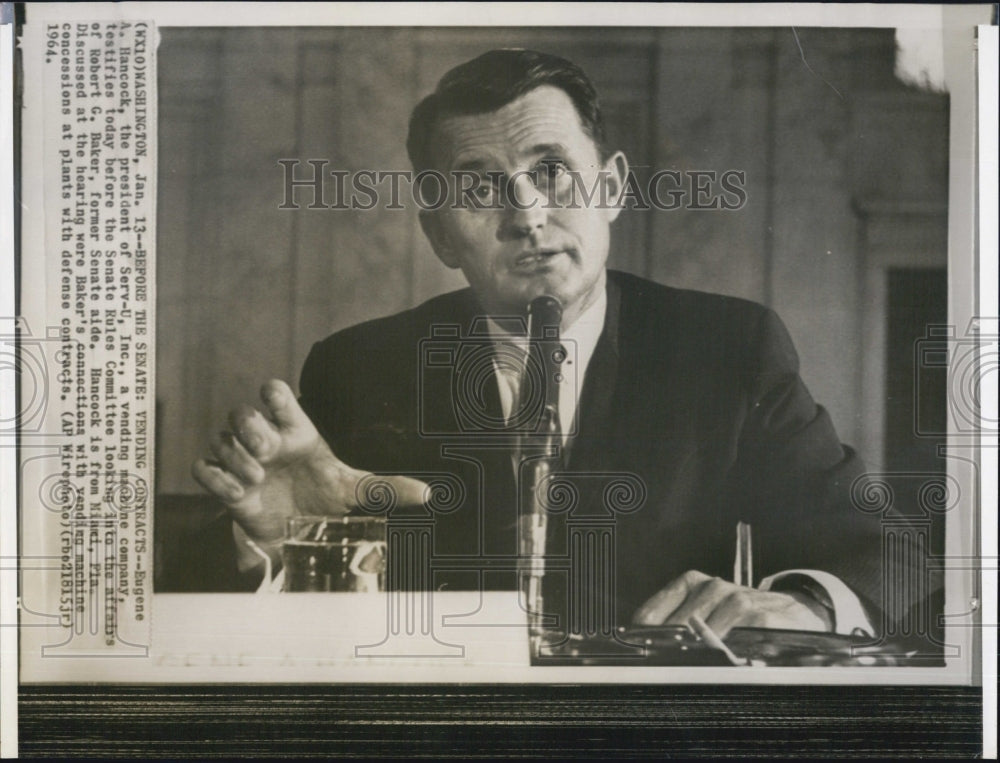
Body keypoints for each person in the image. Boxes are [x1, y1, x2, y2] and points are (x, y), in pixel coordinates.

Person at [190, 49, 897, 639]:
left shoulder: (727, 349)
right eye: (479, 187)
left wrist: (806, 603)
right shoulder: (358, 369)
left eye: (551, 171)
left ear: (612, 186)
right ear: (438, 233)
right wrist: (274, 548)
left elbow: (888, 554)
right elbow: (195, 600)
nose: (526, 214)